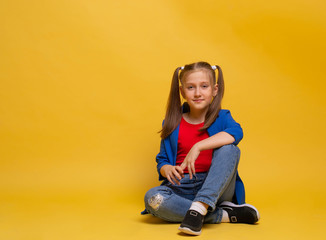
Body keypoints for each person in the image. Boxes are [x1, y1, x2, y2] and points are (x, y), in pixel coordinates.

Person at [143, 61, 260, 236]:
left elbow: (237, 133)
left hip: (217, 188)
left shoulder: (222, 117)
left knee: (230, 149)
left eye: (204, 86)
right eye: (191, 87)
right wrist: (167, 169)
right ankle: (220, 214)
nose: (198, 93)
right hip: (182, 189)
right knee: (152, 198)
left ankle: (200, 206)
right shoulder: (172, 123)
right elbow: (162, 159)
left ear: (215, 89)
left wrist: (198, 146)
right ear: (182, 92)